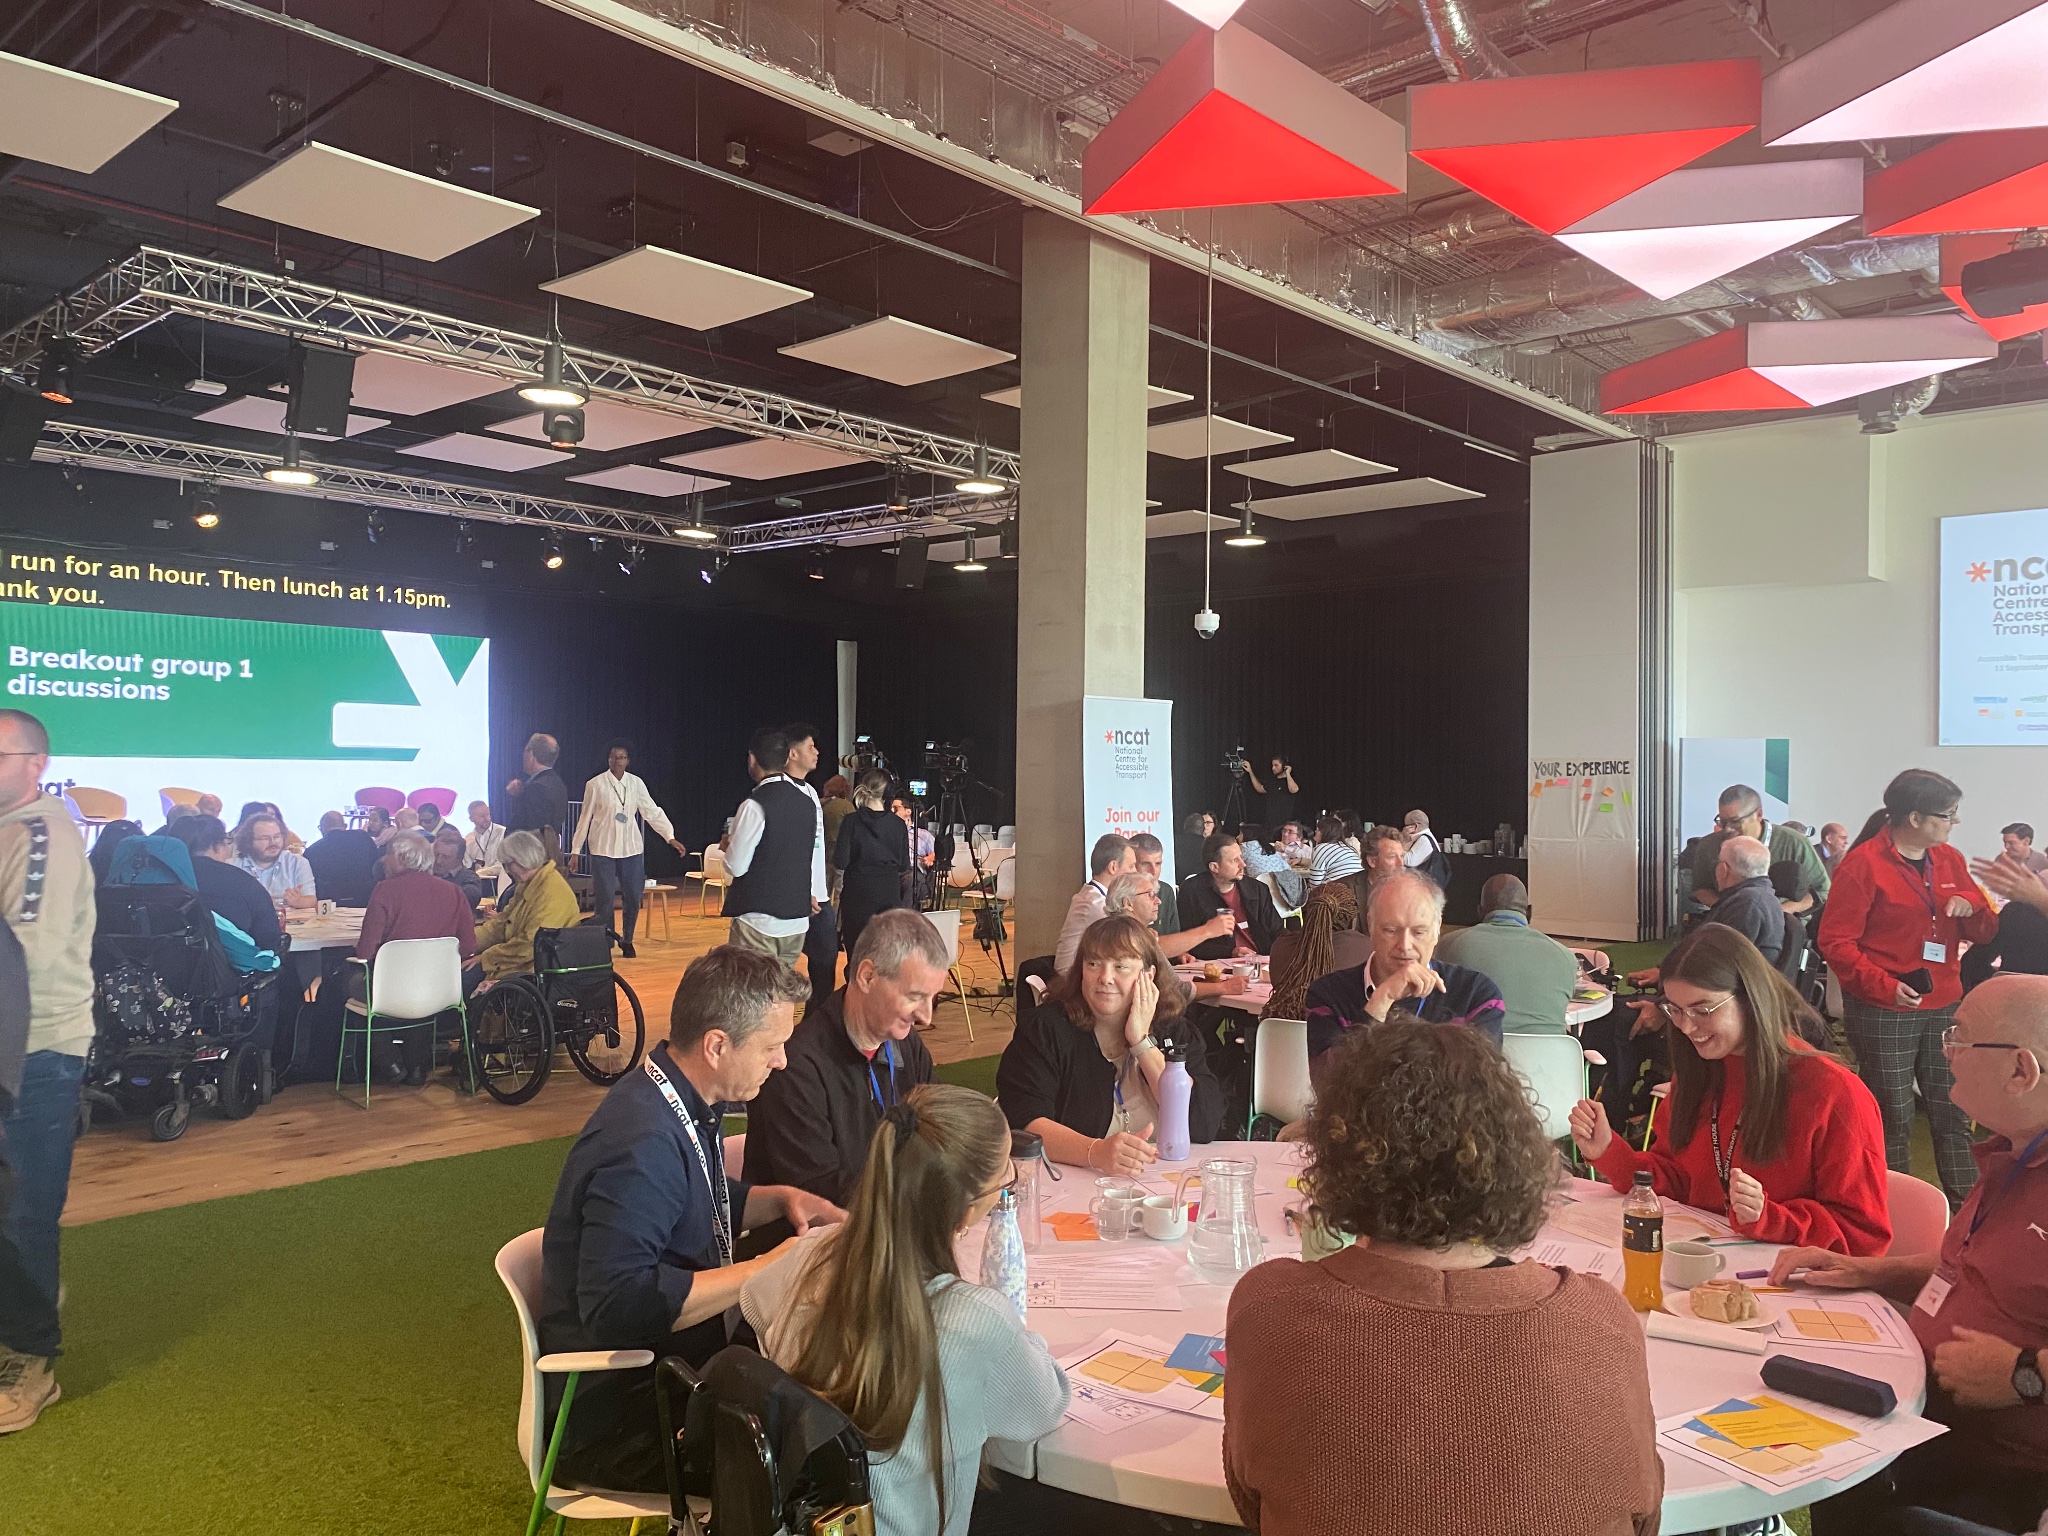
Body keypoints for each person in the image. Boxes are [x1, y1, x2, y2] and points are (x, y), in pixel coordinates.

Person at [1225, 1020, 1663, 1536]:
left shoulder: (1271, 1309)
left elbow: (1252, 1499)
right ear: (1513, 1155)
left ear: (1339, 1156)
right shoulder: (1600, 1321)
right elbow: (1642, 1514)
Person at [536, 947, 844, 1490]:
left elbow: (689, 1196)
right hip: (623, 1417)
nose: (782, 1061)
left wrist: (780, 1200)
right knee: (832, 1459)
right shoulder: (641, 1142)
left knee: (836, 1403)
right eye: (772, 1046)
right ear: (718, 1045)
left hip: (678, 1372)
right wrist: (768, 1266)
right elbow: (618, 1307)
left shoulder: (671, 1097)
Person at [1771, 972, 2048, 1536]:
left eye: (1960, 1037)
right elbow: (1973, 1268)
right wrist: (1866, 1271)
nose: (1945, 1050)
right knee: (1814, 1431)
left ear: (2021, 1070)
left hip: (2010, 1468)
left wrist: (2025, 1375)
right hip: (1929, 1413)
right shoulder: (2014, 1148)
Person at [741, 1084, 1069, 1536]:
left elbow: (754, 1307)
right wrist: (1020, 1331)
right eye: (1004, 1179)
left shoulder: (811, 1253)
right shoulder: (975, 1320)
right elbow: (1045, 1407)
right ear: (968, 1210)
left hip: (809, 1516)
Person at [1569, 923, 1890, 1253]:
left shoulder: (1833, 1093)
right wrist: (1609, 1151)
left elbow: (1863, 1237)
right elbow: (1678, 1179)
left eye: (1703, 1009)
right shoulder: (1699, 1073)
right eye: (1675, 1010)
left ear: (1750, 999)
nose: (1687, 1027)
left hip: (1783, 1278)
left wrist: (1771, 1218)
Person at [1819, 769, 1995, 1206]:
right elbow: (1835, 942)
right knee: (1892, 1115)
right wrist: (1883, 986)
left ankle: (1969, 1214)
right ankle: (1895, 1211)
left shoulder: (1949, 858)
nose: (1954, 823)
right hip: (1885, 1008)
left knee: (1953, 1109)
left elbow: (1987, 930)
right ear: (1914, 818)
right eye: (1948, 815)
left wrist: (1970, 904)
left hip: (1944, 1002)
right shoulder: (1863, 865)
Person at [0, 711, 95, 1435]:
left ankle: (32, 1362)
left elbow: (17, 963)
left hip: (31, 1051)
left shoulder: (43, 836)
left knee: (23, 1212)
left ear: (36, 763)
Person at [996, 914, 1224, 1174]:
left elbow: (1204, 1122)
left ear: (1148, 975)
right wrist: (1095, 1152)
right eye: (1093, 964)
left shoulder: (1173, 1029)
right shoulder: (1046, 1029)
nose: (1104, 977)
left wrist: (1141, 1043)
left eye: (1120, 967)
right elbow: (1024, 1122)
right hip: (1073, 1179)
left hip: (1165, 1180)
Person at [742, 909, 942, 1205]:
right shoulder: (796, 1065)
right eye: (914, 997)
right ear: (867, 976)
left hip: (888, 1226)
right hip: (809, 1243)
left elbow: (939, 1131)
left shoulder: (906, 1045)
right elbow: (820, 1193)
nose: (925, 1016)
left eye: (933, 998)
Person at [1303, 871, 1505, 1062]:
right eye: (1391, 931)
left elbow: (1480, 1086)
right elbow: (1328, 1084)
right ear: (1371, 926)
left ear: (1437, 930)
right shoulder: (1328, 994)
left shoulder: (1476, 994)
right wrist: (1381, 1000)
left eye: (1418, 932)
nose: (1405, 946)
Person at [354, 831, 478, 1083]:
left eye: (387, 854)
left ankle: (388, 1061)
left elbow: (365, 952)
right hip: (440, 989)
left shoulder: (385, 890)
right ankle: (417, 1067)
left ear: (400, 857)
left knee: (348, 984)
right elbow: (468, 947)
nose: (385, 860)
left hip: (391, 989)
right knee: (419, 995)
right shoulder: (454, 892)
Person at [569, 739, 685, 959]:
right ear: (608, 760)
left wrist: (669, 837)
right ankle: (605, 941)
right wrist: (576, 850)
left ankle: (628, 939)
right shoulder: (595, 784)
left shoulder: (636, 783)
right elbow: (584, 818)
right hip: (603, 848)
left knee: (633, 896)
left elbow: (652, 811)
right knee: (604, 899)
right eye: (614, 757)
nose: (617, 761)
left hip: (631, 848)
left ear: (628, 760)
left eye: (622, 757)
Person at [724, 727, 826, 966]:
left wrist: (728, 848)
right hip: (797, 919)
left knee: (751, 994)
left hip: (758, 921)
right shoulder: (808, 801)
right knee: (782, 994)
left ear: (752, 758)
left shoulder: (755, 804)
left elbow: (736, 867)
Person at [1436, 873, 1579, 1034]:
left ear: (1479, 912)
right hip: (1549, 1057)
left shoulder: (1448, 945)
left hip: (1477, 1055)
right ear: (1529, 912)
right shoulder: (1564, 957)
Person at [1687, 783, 1830, 916]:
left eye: (1736, 821)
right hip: (1728, 923)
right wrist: (1727, 907)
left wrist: (1776, 911)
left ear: (1759, 815)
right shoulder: (1708, 845)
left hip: (1785, 925)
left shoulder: (1794, 843)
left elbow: (1822, 890)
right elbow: (1701, 888)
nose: (1728, 828)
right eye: (1722, 821)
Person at [465, 829, 580, 994]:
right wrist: (467, 943)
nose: (506, 870)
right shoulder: (529, 883)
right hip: (518, 960)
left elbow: (529, 945)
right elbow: (500, 924)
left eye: (507, 864)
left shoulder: (550, 892)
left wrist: (486, 958)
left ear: (520, 861)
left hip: (536, 969)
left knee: (463, 981)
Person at [168, 815, 286, 959]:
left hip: (165, 973)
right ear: (217, 845)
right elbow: (270, 939)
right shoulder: (242, 881)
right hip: (233, 974)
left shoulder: (162, 879)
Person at [783, 723, 840, 1002]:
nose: (817, 752)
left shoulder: (810, 792)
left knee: (825, 966)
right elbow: (786, 850)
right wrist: (799, 891)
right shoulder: (781, 791)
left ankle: (813, 1032)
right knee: (780, 973)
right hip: (798, 898)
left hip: (819, 897)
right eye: (810, 747)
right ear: (792, 753)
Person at [1262, 880, 1367, 1024]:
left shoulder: (1281, 945)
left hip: (1280, 1042)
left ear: (1308, 913)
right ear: (1351, 920)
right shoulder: (1367, 949)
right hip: (1341, 1041)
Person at [834, 771, 910, 957]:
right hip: (888, 894)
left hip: (857, 895)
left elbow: (841, 861)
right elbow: (904, 866)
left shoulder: (851, 821)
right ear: (887, 792)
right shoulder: (898, 825)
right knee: (885, 954)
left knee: (857, 952)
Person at [1177, 832, 1283, 962]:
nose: (1243, 864)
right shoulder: (1192, 891)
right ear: (1215, 867)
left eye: (1241, 857)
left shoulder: (1257, 889)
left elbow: (1277, 932)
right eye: (1234, 860)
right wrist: (1230, 952)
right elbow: (1188, 941)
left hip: (1261, 961)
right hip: (1217, 964)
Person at [1127, 831, 1230, 960]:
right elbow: (1144, 947)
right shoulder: (1121, 895)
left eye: (1158, 864)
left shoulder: (1166, 891)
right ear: (1131, 864)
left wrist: (1180, 954)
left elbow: (1173, 937)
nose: (1153, 871)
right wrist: (1208, 930)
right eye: (1145, 864)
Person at [1053, 833, 1135, 975]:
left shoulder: (1096, 895)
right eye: (1132, 866)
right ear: (1113, 867)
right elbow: (1126, 943)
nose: (1135, 872)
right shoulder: (1095, 903)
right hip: (1072, 982)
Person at [504, 731, 569, 866]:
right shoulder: (557, 784)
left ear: (531, 755)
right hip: (548, 856)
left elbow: (532, 829)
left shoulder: (536, 788)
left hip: (530, 861)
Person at [235, 812, 316, 910]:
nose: (273, 842)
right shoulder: (233, 866)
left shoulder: (298, 863)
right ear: (249, 841)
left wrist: (298, 901)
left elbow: (311, 900)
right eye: (265, 838)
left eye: (277, 836)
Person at [302, 810, 379, 908]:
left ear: (322, 828)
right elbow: (376, 867)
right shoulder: (364, 838)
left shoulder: (312, 850)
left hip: (328, 904)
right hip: (365, 900)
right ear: (345, 826)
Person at [1239, 822, 1305, 909]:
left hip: (1261, 902)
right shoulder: (1271, 849)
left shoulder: (1243, 848)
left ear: (1247, 836)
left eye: (1240, 834)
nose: (1237, 837)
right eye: (1284, 831)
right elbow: (1289, 871)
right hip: (1286, 902)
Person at [432, 826, 483, 912]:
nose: (438, 861)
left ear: (459, 858)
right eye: (436, 855)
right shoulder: (424, 874)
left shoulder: (470, 879)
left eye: (445, 857)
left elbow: (467, 900)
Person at [1239, 756, 1298, 830]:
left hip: (1284, 822)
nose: (1273, 768)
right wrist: (1250, 771)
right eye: (1272, 765)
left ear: (1284, 766)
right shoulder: (1272, 781)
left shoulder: (1291, 781)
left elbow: (1294, 790)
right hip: (1270, 823)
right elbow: (1260, 789)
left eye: (1276, 765)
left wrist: (1288, 773)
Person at [819, 774, 854, 899]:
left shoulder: (818, 803)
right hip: (841, 852)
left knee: (822, 890)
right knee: (839, 892)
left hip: (821, 852)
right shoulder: (846, 806)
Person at [1305, 814, 1363, 889]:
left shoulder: (1322, 848)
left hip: (1337, 893)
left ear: (1325, 832)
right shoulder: (1347, 847)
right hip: (1358, 891)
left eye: (1318, 829)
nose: (1315, 831)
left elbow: (1315, 883)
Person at [1400, 808, 1450, 887]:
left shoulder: (1424, 840)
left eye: (1406, 825)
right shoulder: (1425, 838)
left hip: (1424, 886)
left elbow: (1409, 861)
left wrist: (1402, 839)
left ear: (1414, 826)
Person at [463, 799, 504, 873]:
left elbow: (503, 866)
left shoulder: (503, 832)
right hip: (478, 882)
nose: (487, 819)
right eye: (481, 816)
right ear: (471, 819)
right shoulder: (468, 840)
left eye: (488, 814)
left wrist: (480, 873)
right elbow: (466, 867)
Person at [1174, 811, 1213, 884]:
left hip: (1179, 886)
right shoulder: (1210, 845)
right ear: (1203, 828)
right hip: (1205, 886)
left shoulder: (1174, 842)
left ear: (1185, 827)